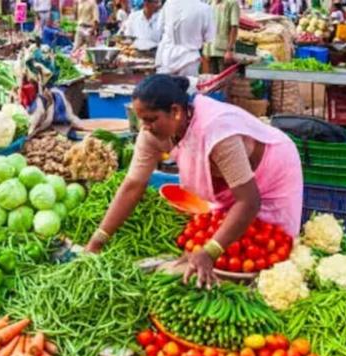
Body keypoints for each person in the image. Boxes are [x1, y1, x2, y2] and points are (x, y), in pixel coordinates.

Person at [85, 75, 303, 287]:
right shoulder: (151, 134)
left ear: (176, 111)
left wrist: (209, 252)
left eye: (151, 119)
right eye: (141, 119)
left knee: (270, 248)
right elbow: (133, 186)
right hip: (229, 183)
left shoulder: (215, 130)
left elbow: (248, 201)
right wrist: (98, 240)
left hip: (272, 170)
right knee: (229, 242)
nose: (145, 127)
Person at [155, 0, 215, 77]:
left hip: (166, 57)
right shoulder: (205, 9)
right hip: (189, 60)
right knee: (187, 87)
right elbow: (209, 37)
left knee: (164, 87)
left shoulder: (169, 3)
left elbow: (159, 28)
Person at [203, 0, 238, 74]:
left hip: (223, 50)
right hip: (210, 49)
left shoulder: (232, 3)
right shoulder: (210, 3)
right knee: (213, 79)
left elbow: (234, 27)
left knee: (223, 79)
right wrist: (205, 49)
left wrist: (229, 50)